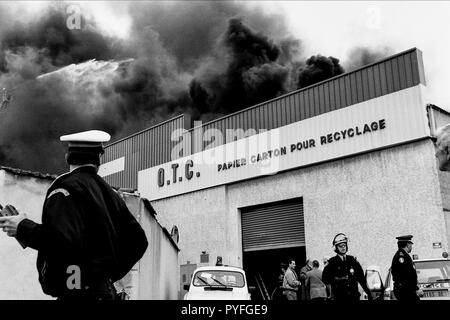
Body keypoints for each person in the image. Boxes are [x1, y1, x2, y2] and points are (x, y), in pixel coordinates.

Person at [0, 130, 148, 300]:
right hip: (104, 293)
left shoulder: (65, 188)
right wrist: (105, 276)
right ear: (99, 159)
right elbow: (139, 241)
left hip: (75, 294)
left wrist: (23, 228)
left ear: (67, 157)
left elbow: (63, 241)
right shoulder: (111, 195)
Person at [322, 233, 372, 301]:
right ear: (336, 248)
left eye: (344, 245)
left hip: (354, 296)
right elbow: (325, 279)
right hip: (340, 297)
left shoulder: (353, 260)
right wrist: (330, 294)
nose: (343, 248)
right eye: (340, 246)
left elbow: (361, 279)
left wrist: (368, 293)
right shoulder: (332, 263)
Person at [391, 235, 422, 301]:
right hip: (405, 290)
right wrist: (416, 289)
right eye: (411, 244)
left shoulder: (404, 255)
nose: (411, 247)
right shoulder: (401, 257)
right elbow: (406, 275)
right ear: (408, 245)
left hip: (406, 289)